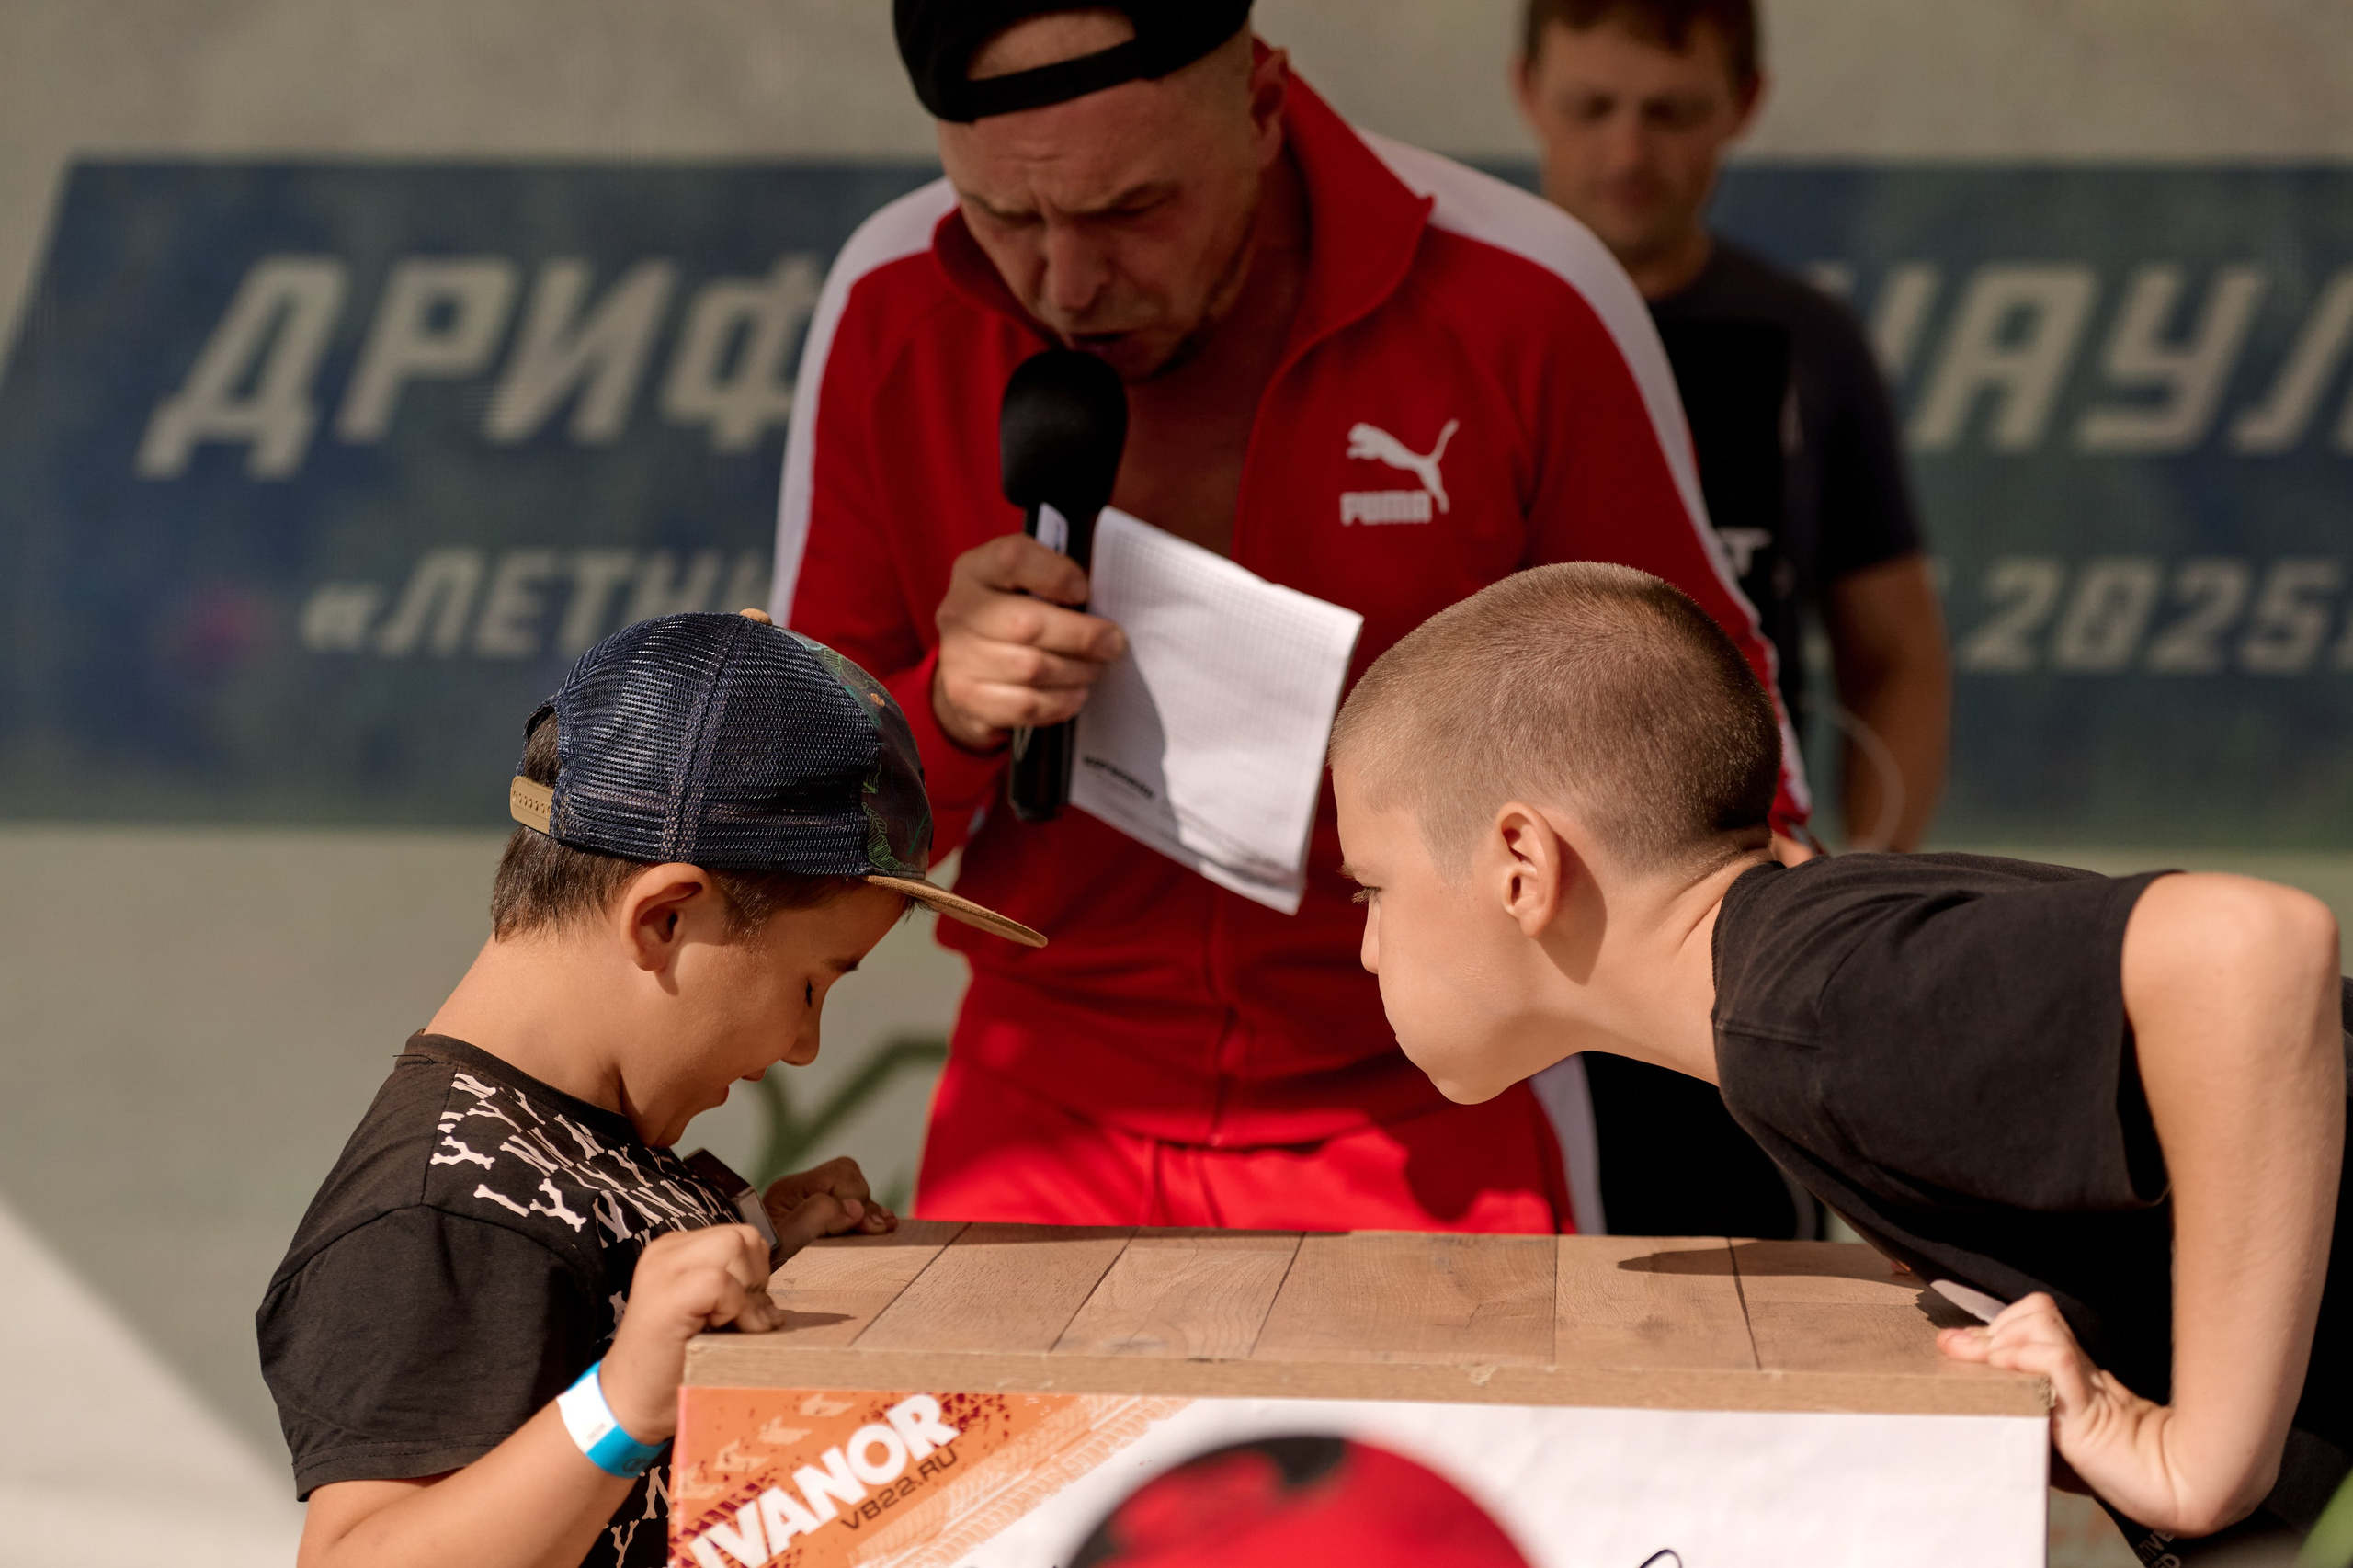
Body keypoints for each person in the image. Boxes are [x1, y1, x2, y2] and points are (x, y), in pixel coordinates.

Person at [774, 0, 1809, 1236]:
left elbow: (1726, 763)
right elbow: (795, 830)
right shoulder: (894, 299)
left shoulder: (1523, 294)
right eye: (1005, 216)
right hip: (1041, 1106)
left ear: (1262, 107)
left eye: (1129, 210)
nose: (1067, 280)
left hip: (1438, 1110)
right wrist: (946, 709)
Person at [1327, 562, 2349, 1559]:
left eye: (1372, 887)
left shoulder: (1802, 1008)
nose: (1367, 943)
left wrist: (2203, 1457)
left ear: (1521, 864)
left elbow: (2253, 951)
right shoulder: (1802, 976)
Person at [255, 610, 1047, 1568]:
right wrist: (621, 1402)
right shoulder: (447, 1204)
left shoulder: (584, 1128)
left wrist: (761, 1241)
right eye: (811, 983)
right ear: (665, 918)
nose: (804, 1044)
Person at [1513, 0, 1952, 1240]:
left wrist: (1865, 895)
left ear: (1741, 108)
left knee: (1734, 1310)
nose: (1628, 149)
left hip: (1737, 934)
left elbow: (1896, 652)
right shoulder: (1476, 326)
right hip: (1512, 937)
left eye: (1671, 111)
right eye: (1593, 107)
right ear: (1526, 92)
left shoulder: (1809, 342)